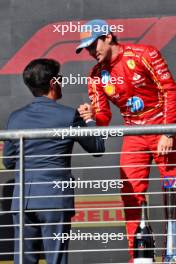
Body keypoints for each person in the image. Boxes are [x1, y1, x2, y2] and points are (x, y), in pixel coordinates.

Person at [76, 19, 176, 263]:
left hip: (163, 128)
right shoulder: (96, 75)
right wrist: (92, 117)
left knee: (173, 191)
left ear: (108, 36)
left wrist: (168, 132)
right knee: (131, 195)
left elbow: (170, 91)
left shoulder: (144, 54)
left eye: (93, 45)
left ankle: (172, 252)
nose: (91, 52)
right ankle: (139, 257)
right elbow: (104, 116)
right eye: (86, 48)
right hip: (133, 135)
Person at [3, 58, 104, 264]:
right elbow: (97, 147)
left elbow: (8, 161)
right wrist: (90, 120)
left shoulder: (15, 118)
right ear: (52, 83)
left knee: (23, 260)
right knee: (56, 260)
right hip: (54, 199)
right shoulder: (69, 115)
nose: (62, 82)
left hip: (22, 199)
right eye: (60, 79)